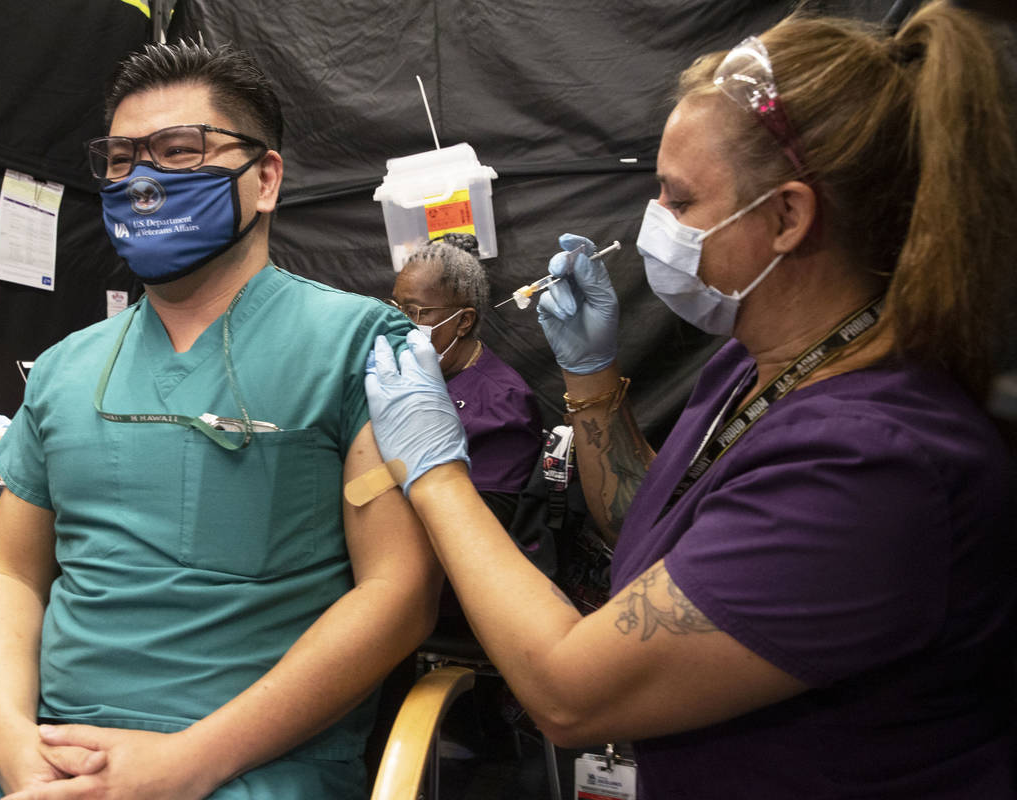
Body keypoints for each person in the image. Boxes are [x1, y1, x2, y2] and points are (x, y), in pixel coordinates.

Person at [363, 2, 1017, 796]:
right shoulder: (757, 361)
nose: (655, 224)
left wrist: (433, 471)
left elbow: (572, 695)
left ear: (787, 216)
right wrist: (592, 380)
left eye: (678, 201)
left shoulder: (874, 466)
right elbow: (650, 524)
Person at [0, 40, 439, 800]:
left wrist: (191, 761)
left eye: (179, 151)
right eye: (120, 160)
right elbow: (11, 572)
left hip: (252, 764)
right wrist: (11, 744)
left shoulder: (362, 350)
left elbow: (399, 594)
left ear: (265, 178)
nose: (142, 180)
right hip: (45, 753)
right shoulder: (69, 368)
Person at [389, 233, 542, 527]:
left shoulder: (504, 405)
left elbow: (480, 529)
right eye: (395, 306)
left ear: (463, 321)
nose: (398, 321)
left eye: (412, 311)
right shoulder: (410, 373)